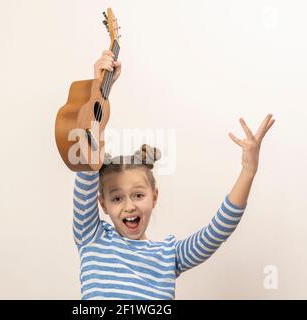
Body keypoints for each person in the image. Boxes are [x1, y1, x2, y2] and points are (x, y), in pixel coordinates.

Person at [72, 50, 275, 299]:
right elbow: (86, 151)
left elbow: (217, 231)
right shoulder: (91, 237)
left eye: (138, 195)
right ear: (101, 203)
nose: (129, 206)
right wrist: (100, 88)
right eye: (116, 198)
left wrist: (248, 171)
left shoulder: (169, 255)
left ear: (154, 196)